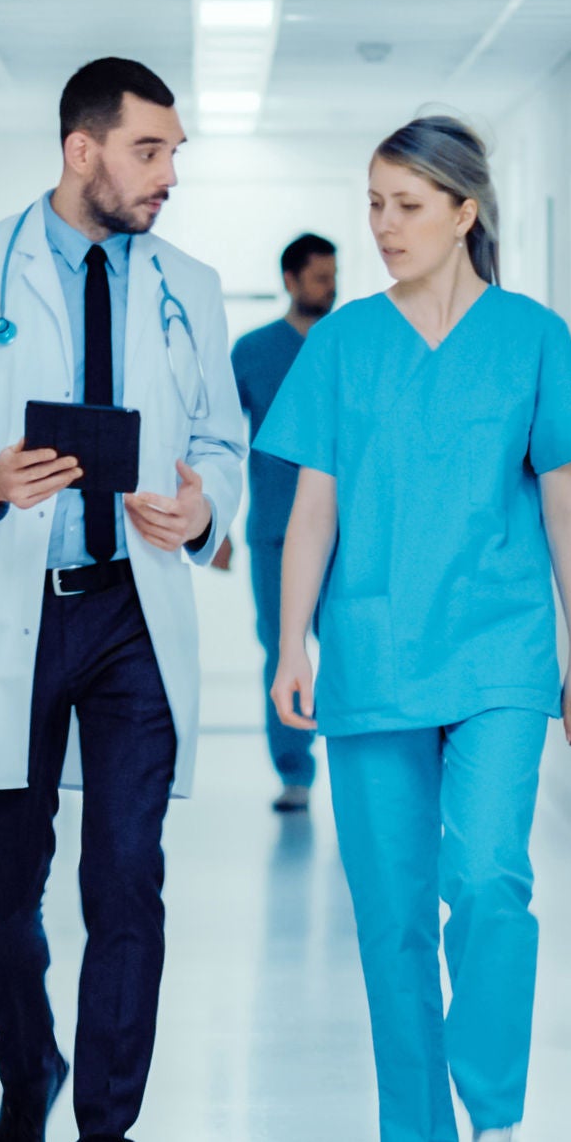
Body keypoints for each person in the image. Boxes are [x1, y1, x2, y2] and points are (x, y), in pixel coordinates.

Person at [0, 58, 247, 1142]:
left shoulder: (190, 285)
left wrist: (202, 507)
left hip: (130, 611)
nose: (167, 173)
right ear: (81, 150)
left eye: (174, 152)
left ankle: (105, 1124)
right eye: (149, 150)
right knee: (2, 892)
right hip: (10, 603)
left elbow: (222, 444)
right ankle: (26, 1060)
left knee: (127, 877)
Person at [256, 115, 571, 1142]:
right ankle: (415, 1129)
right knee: (393, 922)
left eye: (406, 205)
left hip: (500, 656)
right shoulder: (340, 345)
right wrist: (291, 642)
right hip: (371, 660)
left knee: (488, 879)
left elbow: (564, 506)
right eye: (373, 203)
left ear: (464, 213)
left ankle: (491, 1108)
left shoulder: (530, 337)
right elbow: (312, 505)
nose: (382, 226)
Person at [231, 231, 339, 812]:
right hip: (274, 530)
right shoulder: (252, 351)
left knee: (349, 646)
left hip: (349, 534)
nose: (331, 288)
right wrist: (215, 523)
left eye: (334, 276)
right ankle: (294, 772)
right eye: (320, 278)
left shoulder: (352, 343)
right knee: (284, 650)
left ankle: (356, 763)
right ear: (291, 281)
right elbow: (218, 442)